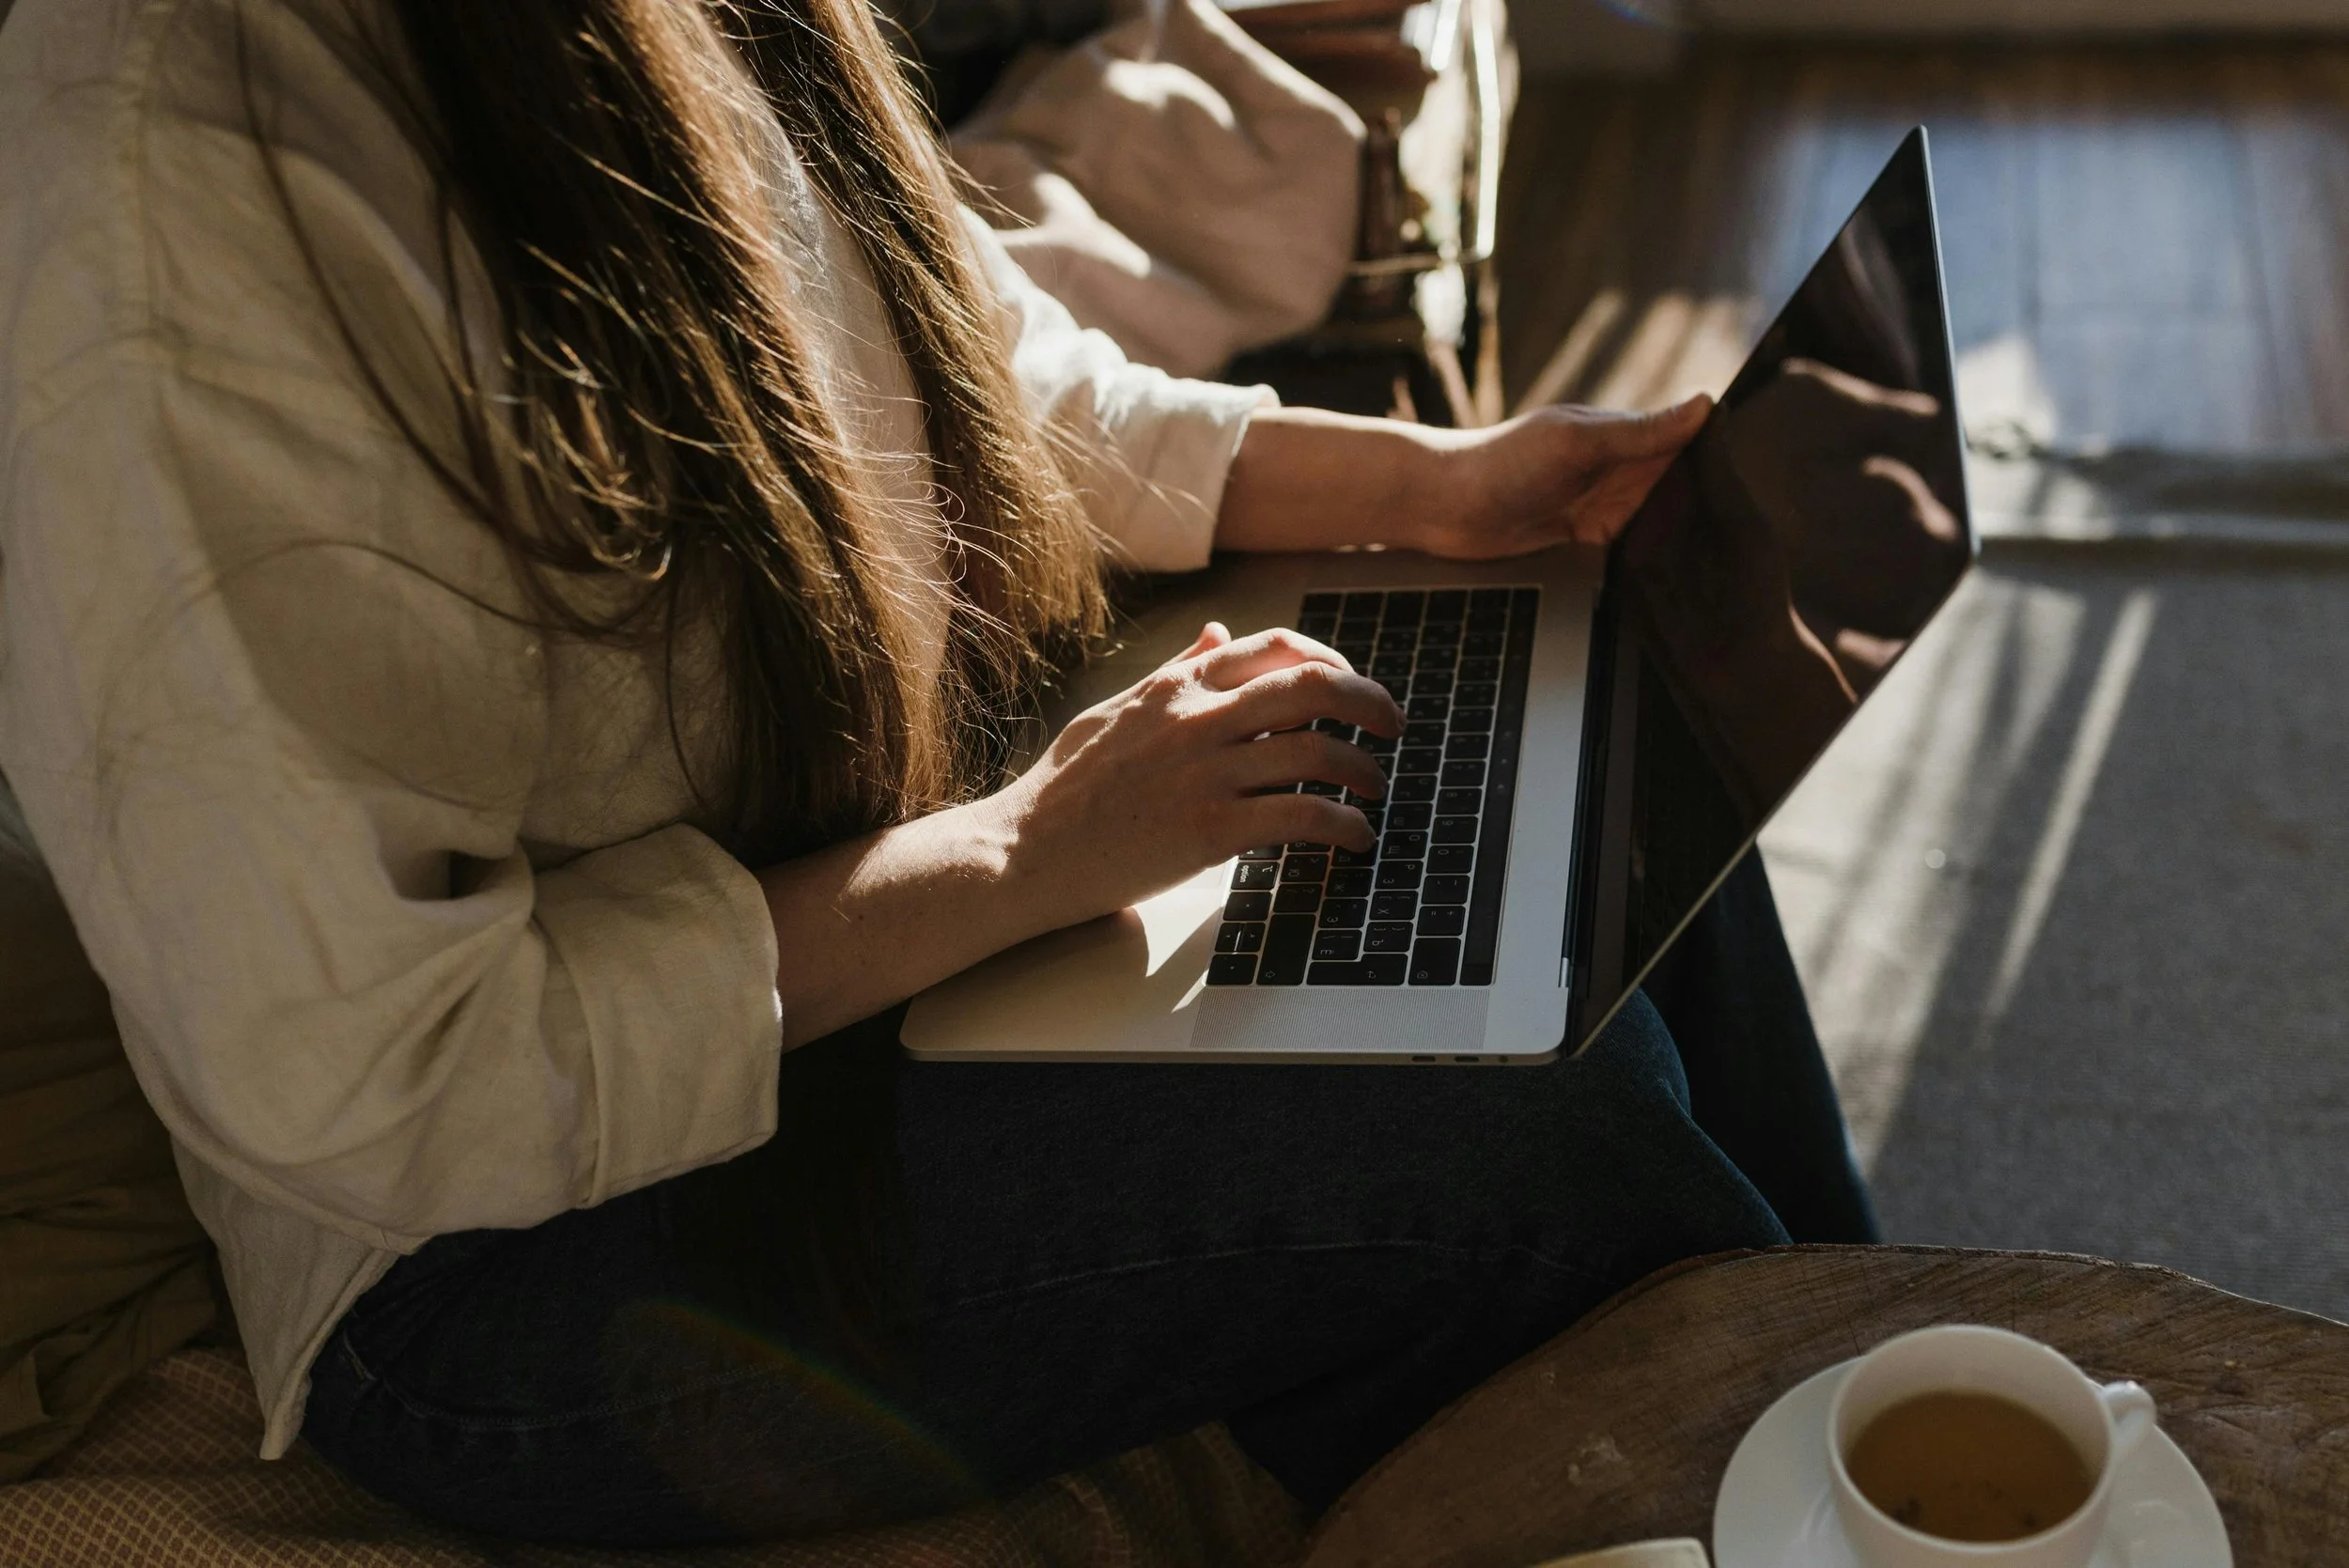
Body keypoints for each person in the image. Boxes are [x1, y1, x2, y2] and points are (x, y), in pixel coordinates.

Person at [0, 0, 1878, 1545]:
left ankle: (1901, 1382)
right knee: (1542, 1134)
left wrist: (1437, 491)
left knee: (1599, 696)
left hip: (849, 870)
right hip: (506, 1262)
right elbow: (385, 1088)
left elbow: (953, 356)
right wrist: (1022, 854)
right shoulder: (174, 220)